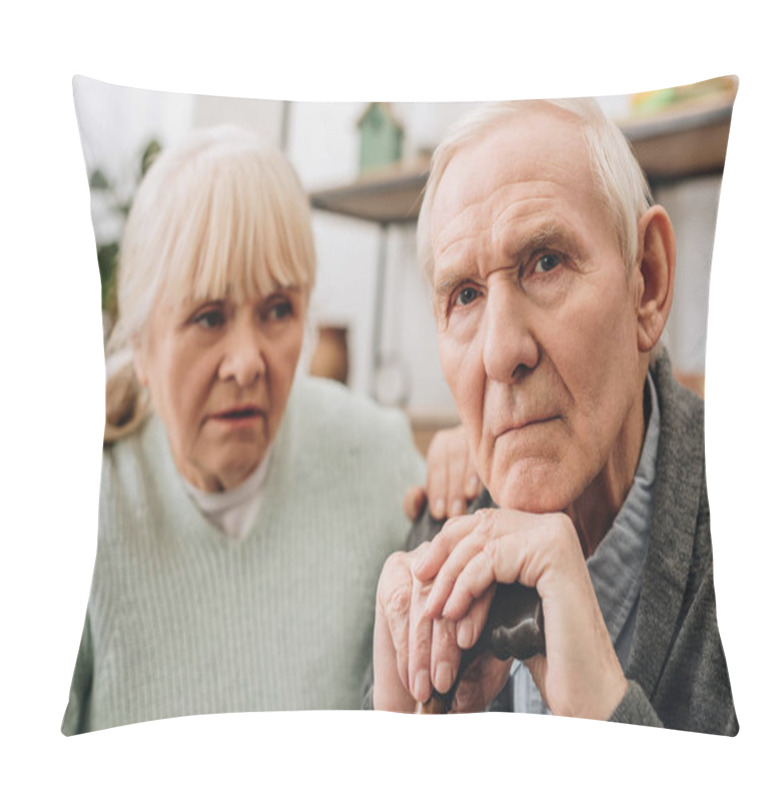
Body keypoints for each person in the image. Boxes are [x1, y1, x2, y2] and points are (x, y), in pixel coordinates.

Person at [61, 125, 471, 734]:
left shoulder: (377, 458)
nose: (248, 361)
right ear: (143, 344)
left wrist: (478, 465)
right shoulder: (83, 501)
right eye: (209, 317)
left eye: (278, 310)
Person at [368, 99, 738, 735]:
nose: (501, 351)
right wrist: (397, 737)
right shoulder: (437, 534)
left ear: (646, 282)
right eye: (465, 295)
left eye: (545, 262)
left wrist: (604, 710)